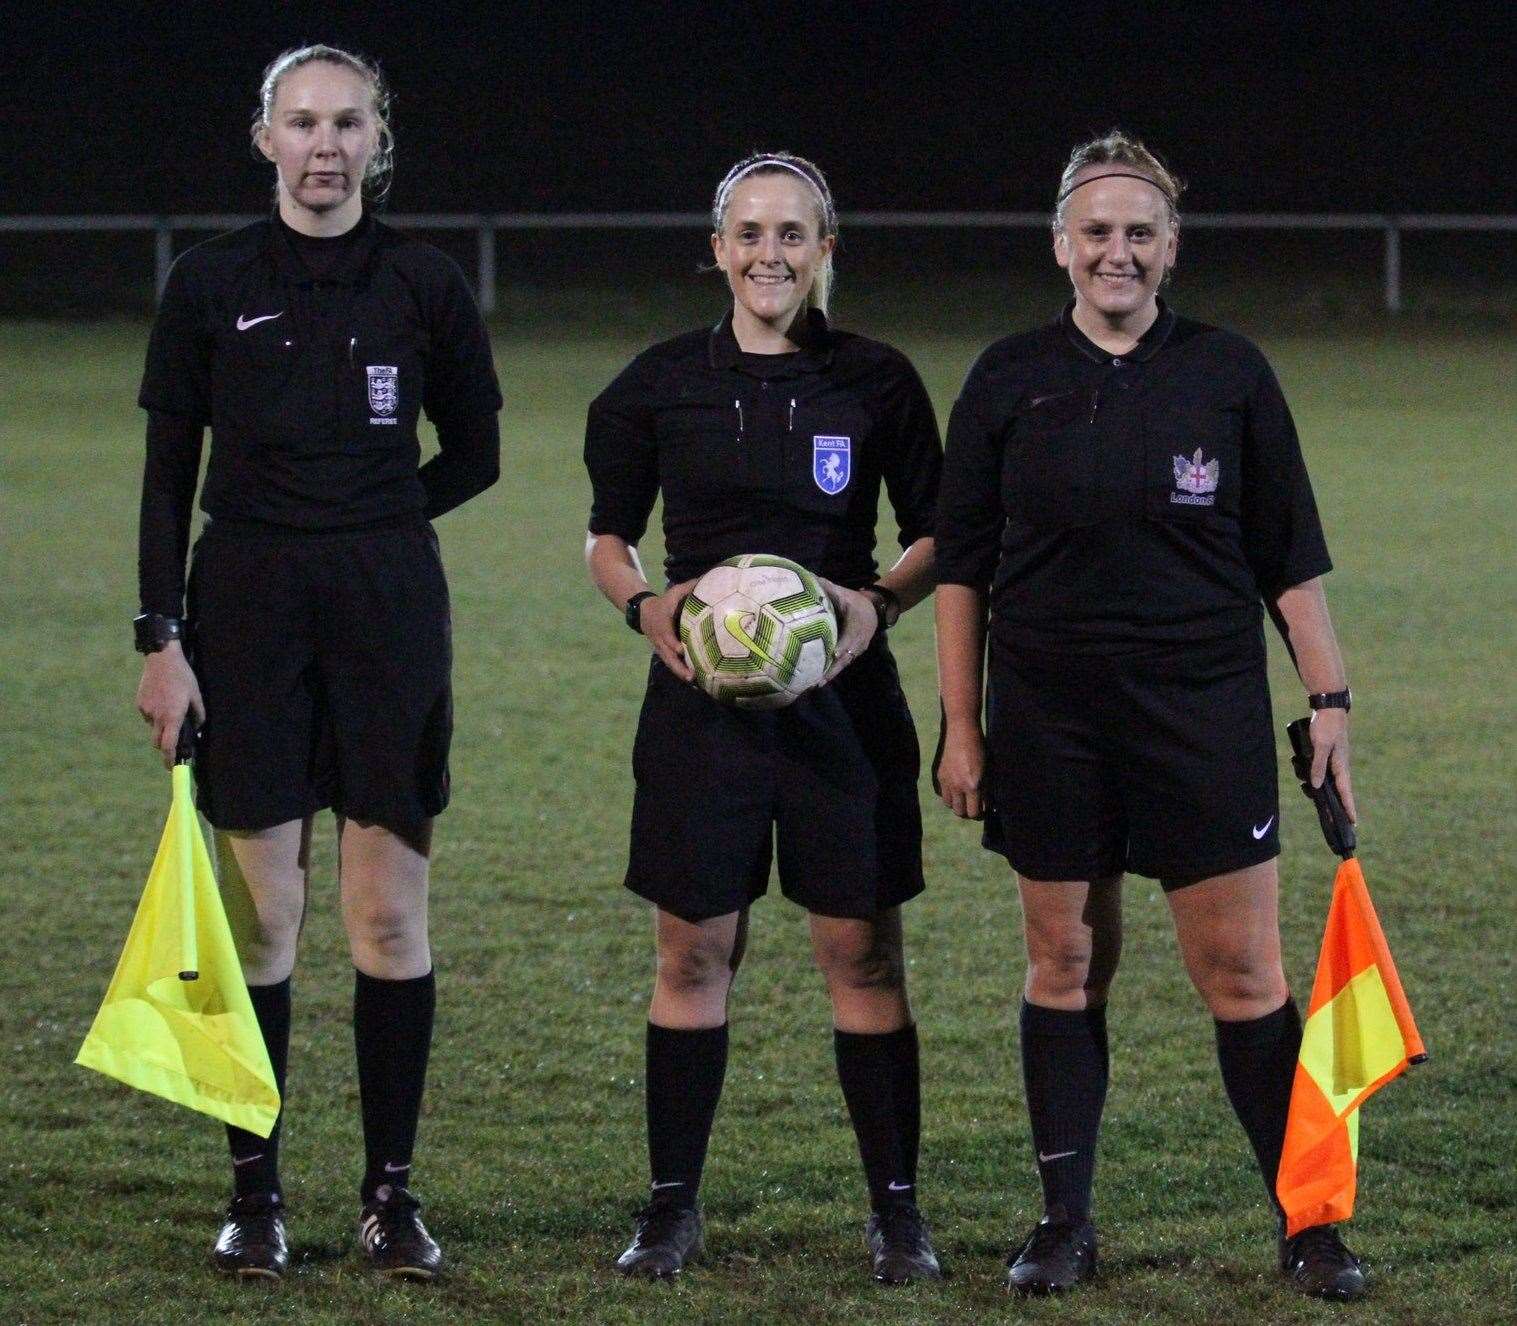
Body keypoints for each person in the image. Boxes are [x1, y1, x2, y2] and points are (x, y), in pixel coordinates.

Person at [933, 131, 1367, 1301]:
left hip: (1201, 711)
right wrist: (959, 726)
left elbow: (1289, 559)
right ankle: (1062, 1222)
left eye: (1137, 232)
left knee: (1240, 972)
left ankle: (1306, 1223)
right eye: (1095, 231)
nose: (1114, 251)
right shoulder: (1004, 377)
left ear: (1168, 249)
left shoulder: (1227, 373)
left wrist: (1325, 699)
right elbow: (963, 567)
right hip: (1047, 713)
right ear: (1059, 246)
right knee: (1063, 959)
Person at [133, 44, 501, 1281]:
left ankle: (390, 1198)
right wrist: (160, 639)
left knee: (388, 915)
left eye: (347, 122)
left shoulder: (426, 283)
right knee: (266, 920)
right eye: (302, 122)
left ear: (376, 139)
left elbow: (480, 452)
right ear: (266, 138)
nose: (325, 143)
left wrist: (374, 518)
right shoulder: (211, 281)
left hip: (388, 603)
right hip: (241, 604)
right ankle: (257, 1195)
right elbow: (165, 475)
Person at [584, 152, 944, 1285]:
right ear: (717, 249)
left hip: (844, 708)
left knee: (862, 952)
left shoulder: (878, 383)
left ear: (825, 249)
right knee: (692, 949)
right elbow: (605, 538)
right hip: (700, 710)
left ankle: (896, 1216)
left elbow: (941, 535)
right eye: (747, 234)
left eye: (792, 235)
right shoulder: (653, 385)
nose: (768, 255)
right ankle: (669, 1210)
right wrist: (647, 609)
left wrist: (873, 603)